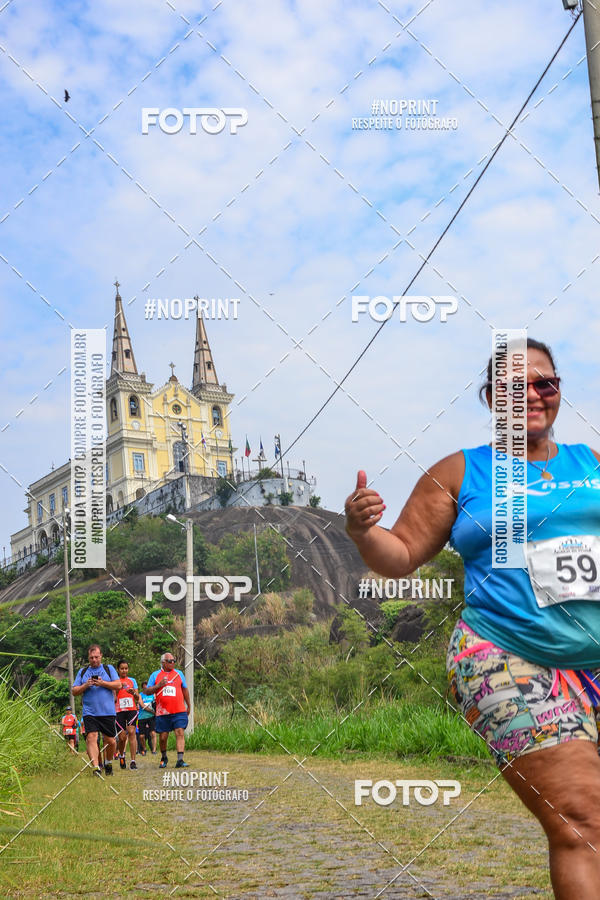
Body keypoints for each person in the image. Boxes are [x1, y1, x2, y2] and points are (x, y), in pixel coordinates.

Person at [345, 338, 600, 900]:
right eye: (515, 386)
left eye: (546, 383)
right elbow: (401, 556)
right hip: (508, 657)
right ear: (491, 399)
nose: (533, 394)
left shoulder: (593, 462)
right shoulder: (459, 473)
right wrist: (364, 531)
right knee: (581, 821)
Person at [73, 644, 121, 776]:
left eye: (96, 657)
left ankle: (108, 762)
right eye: (91, 657)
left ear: (101, 656)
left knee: (110, 741)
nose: (94, 660)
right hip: (90, 712)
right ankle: (96, 767)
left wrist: (103, 683)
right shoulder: (82, 672)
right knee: (91, 737)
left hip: (107, 712)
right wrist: (86, 685)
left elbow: (118, 685)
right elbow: (74, 691)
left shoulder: (108, 669)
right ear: (88, 658)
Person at [145, 652, 191, 768]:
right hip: (163, 712)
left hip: (179, 710)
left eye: (174, 660)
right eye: (170, 661)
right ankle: (164, 757)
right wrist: (159, 685)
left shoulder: (179, 674)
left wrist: (189, 705)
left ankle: (180, 760)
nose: (173, 663)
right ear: (163, 662)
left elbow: (185, 690)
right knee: (163, 736)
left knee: (179, 732)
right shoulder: (155, 675)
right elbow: (147, 691)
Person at [114, 659, 140, 770]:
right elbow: (114, 698)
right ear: (118, 670)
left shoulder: (132, 681)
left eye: (126, 668)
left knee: (131, 732)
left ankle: (133, 761)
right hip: (119, 711)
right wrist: (119, 689)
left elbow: (137, 698)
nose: (124, 670)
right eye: (122, 668)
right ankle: (122, 755)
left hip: (131, 710)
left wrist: (133, 693)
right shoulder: (115, 681)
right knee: (122, 737)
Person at [137, 680, 157, 755]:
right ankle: (144, 749)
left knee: (153, 733)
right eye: (145, 688)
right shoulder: (140, 695)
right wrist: (153, 712)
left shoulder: (153, 695)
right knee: (141, 736)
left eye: (147, 688)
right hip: (142, 717)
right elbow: (142, 706)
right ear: (142, 688)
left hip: (151, 717)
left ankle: (154, 750)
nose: (146, 689)